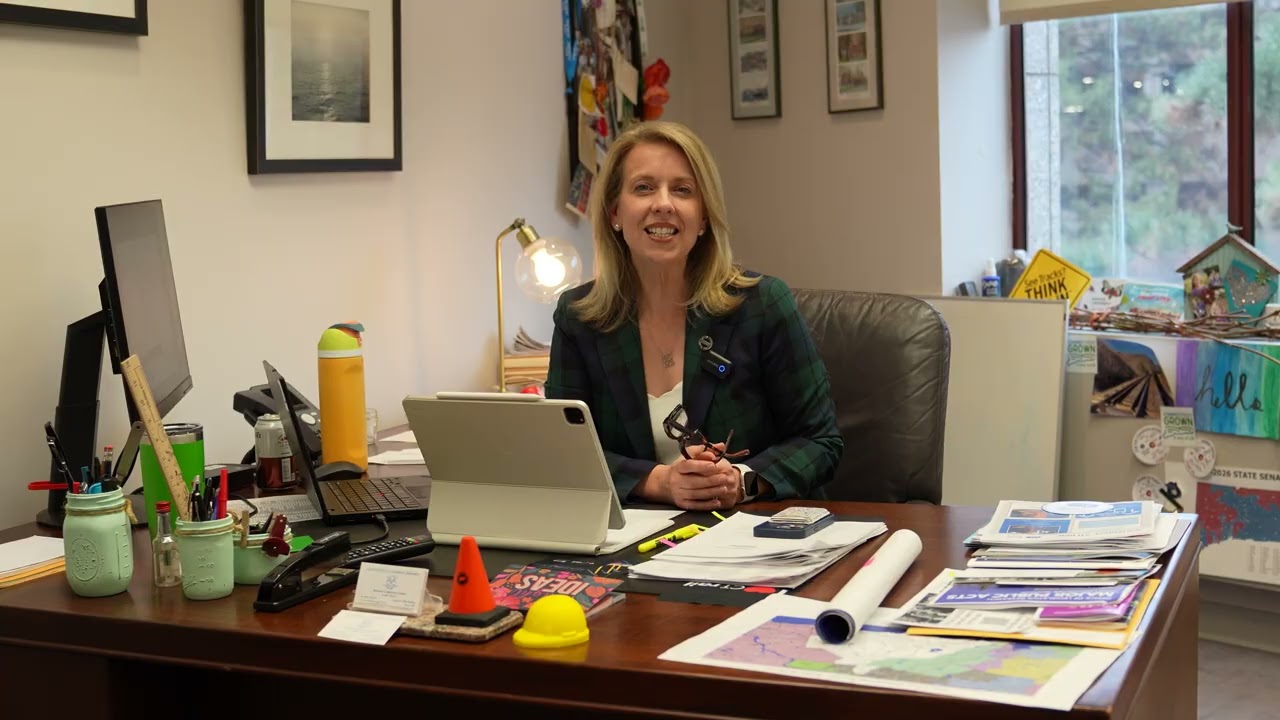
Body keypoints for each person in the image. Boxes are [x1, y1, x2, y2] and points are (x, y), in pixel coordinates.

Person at [546, 121, 843, 511]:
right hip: (629, 543)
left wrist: (741, 481)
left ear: (703, 217)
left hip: (750, 534)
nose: (664, 203)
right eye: (644, 187)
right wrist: (658, 482)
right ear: (615, 212)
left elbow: (821, 441)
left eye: (683, 190)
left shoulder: (762, 305)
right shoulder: (579, 318)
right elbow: (564, 454)